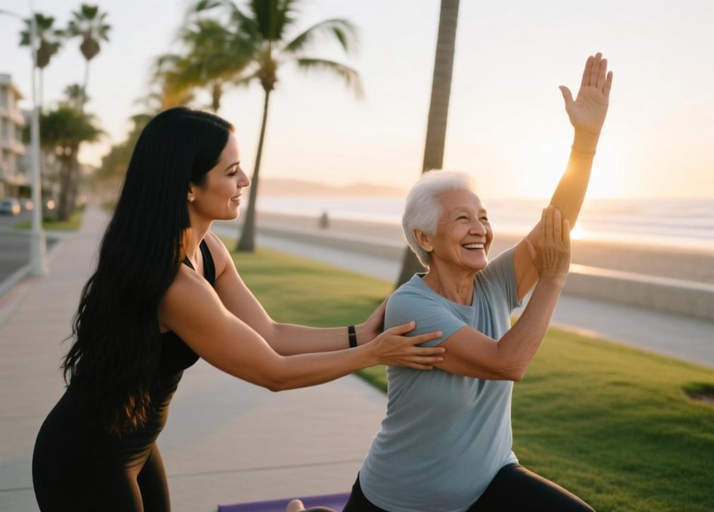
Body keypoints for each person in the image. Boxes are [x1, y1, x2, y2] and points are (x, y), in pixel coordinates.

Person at [31, 107, 446, 512]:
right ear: (188, 186)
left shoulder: (207, 250)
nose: (245, 180)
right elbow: (272, 372)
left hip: (136, 445)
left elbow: (270, 334)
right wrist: (373, 355)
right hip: (84, 457)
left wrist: (361, 333)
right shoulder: (173, 284)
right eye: (231, 172)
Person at [335, 52, 613, 512]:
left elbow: (555, 223)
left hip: (489, 481)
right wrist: (553, 278)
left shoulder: (494, 282)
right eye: (462, 219)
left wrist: (585, 141)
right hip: (402, 499)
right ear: (425, 237)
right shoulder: (411, 308)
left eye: (483, 217)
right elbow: (507, 363)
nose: (480, 229)